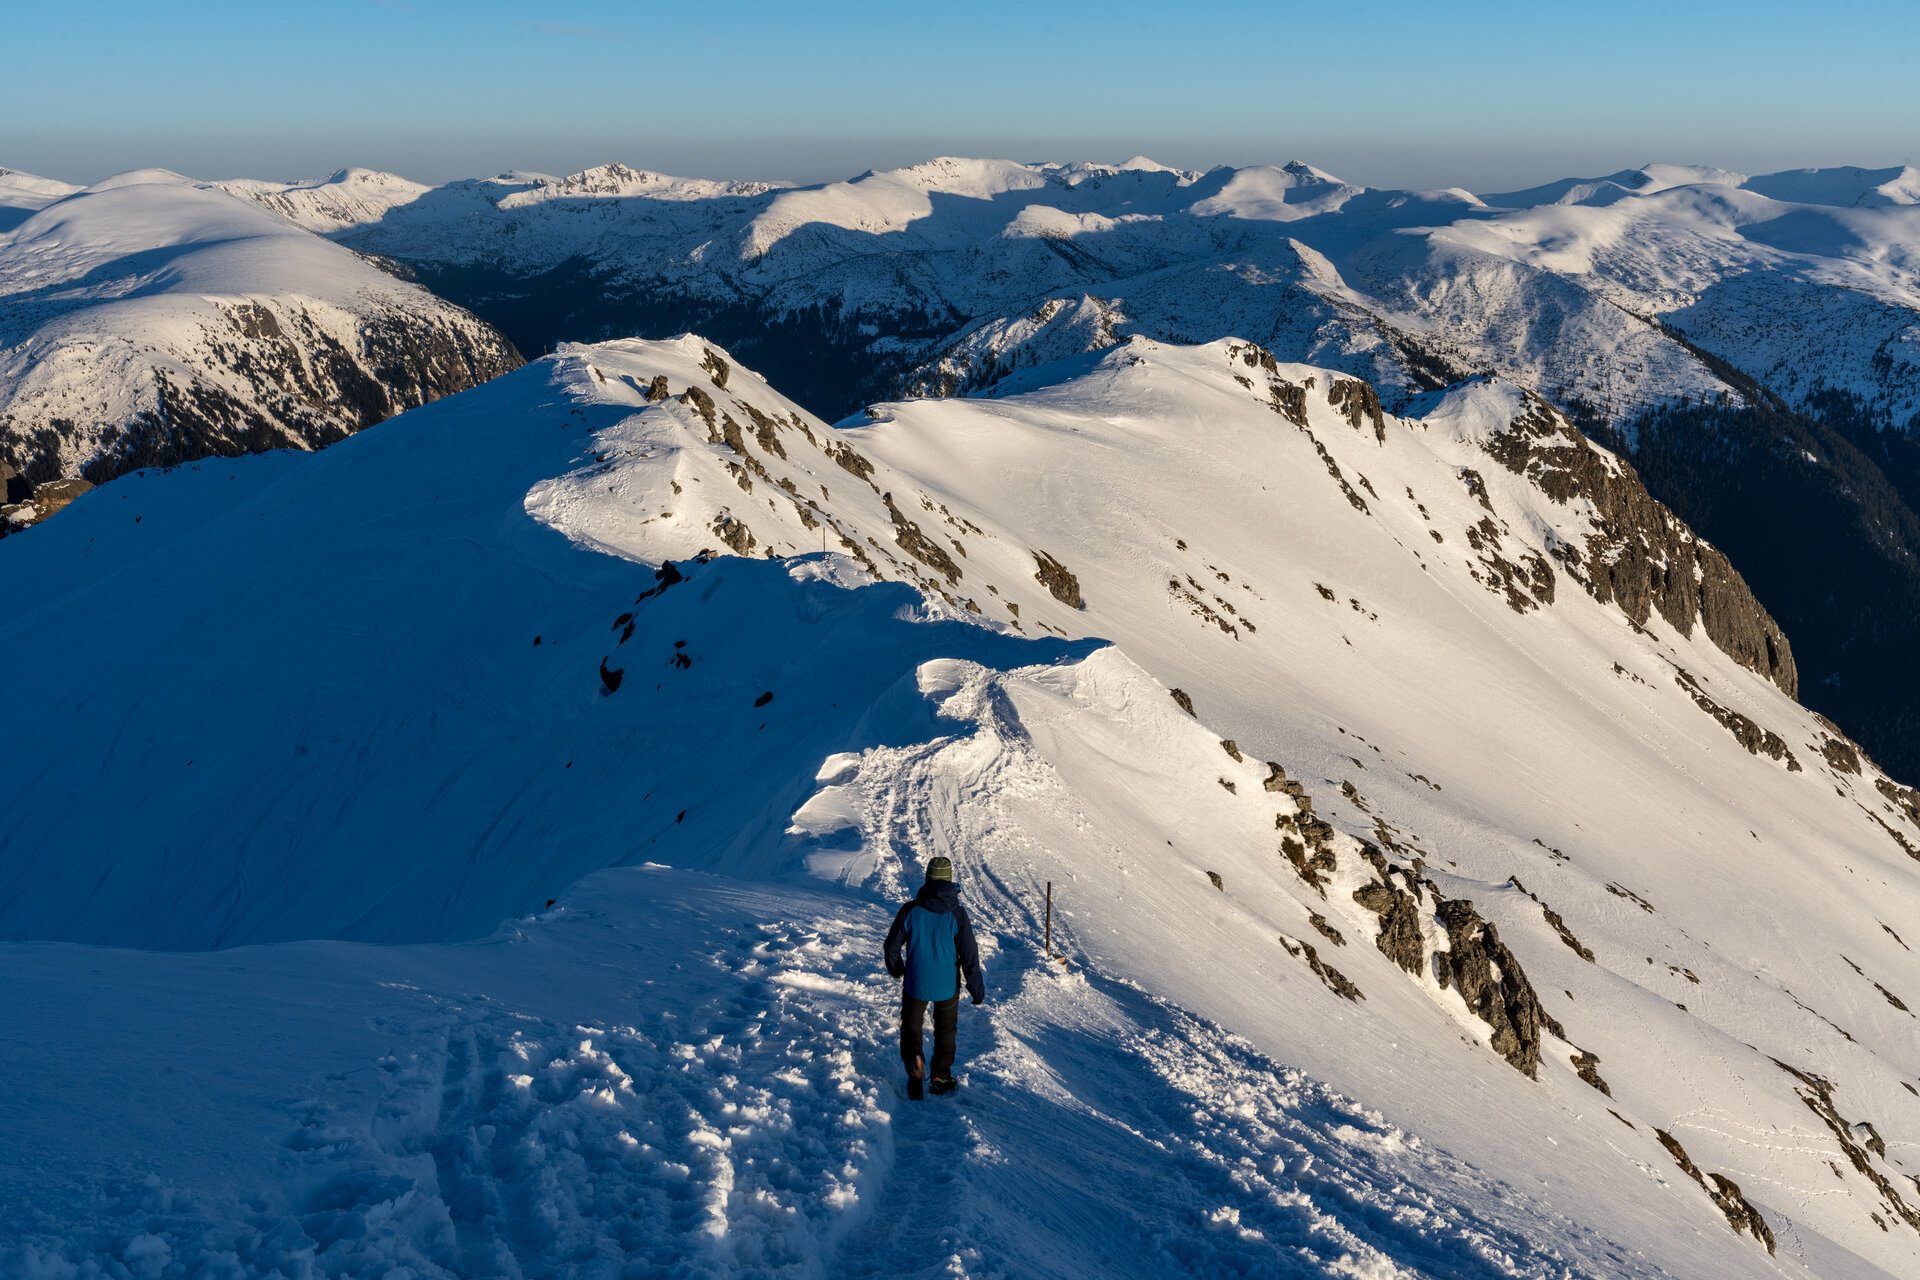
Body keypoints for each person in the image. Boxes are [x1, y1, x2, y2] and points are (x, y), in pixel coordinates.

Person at [883, 855, 985, 1099]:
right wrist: (976, 987)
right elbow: (970, 955)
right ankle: (940, 1077)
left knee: (911, 1027)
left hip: (916, 982)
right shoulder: (958, 915)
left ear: (927, 879)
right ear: (950, 881)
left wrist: (897, 969)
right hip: (947, 985)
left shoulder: (910, 910)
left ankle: (915, 1066)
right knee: (945, 1030)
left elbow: (891, 947)